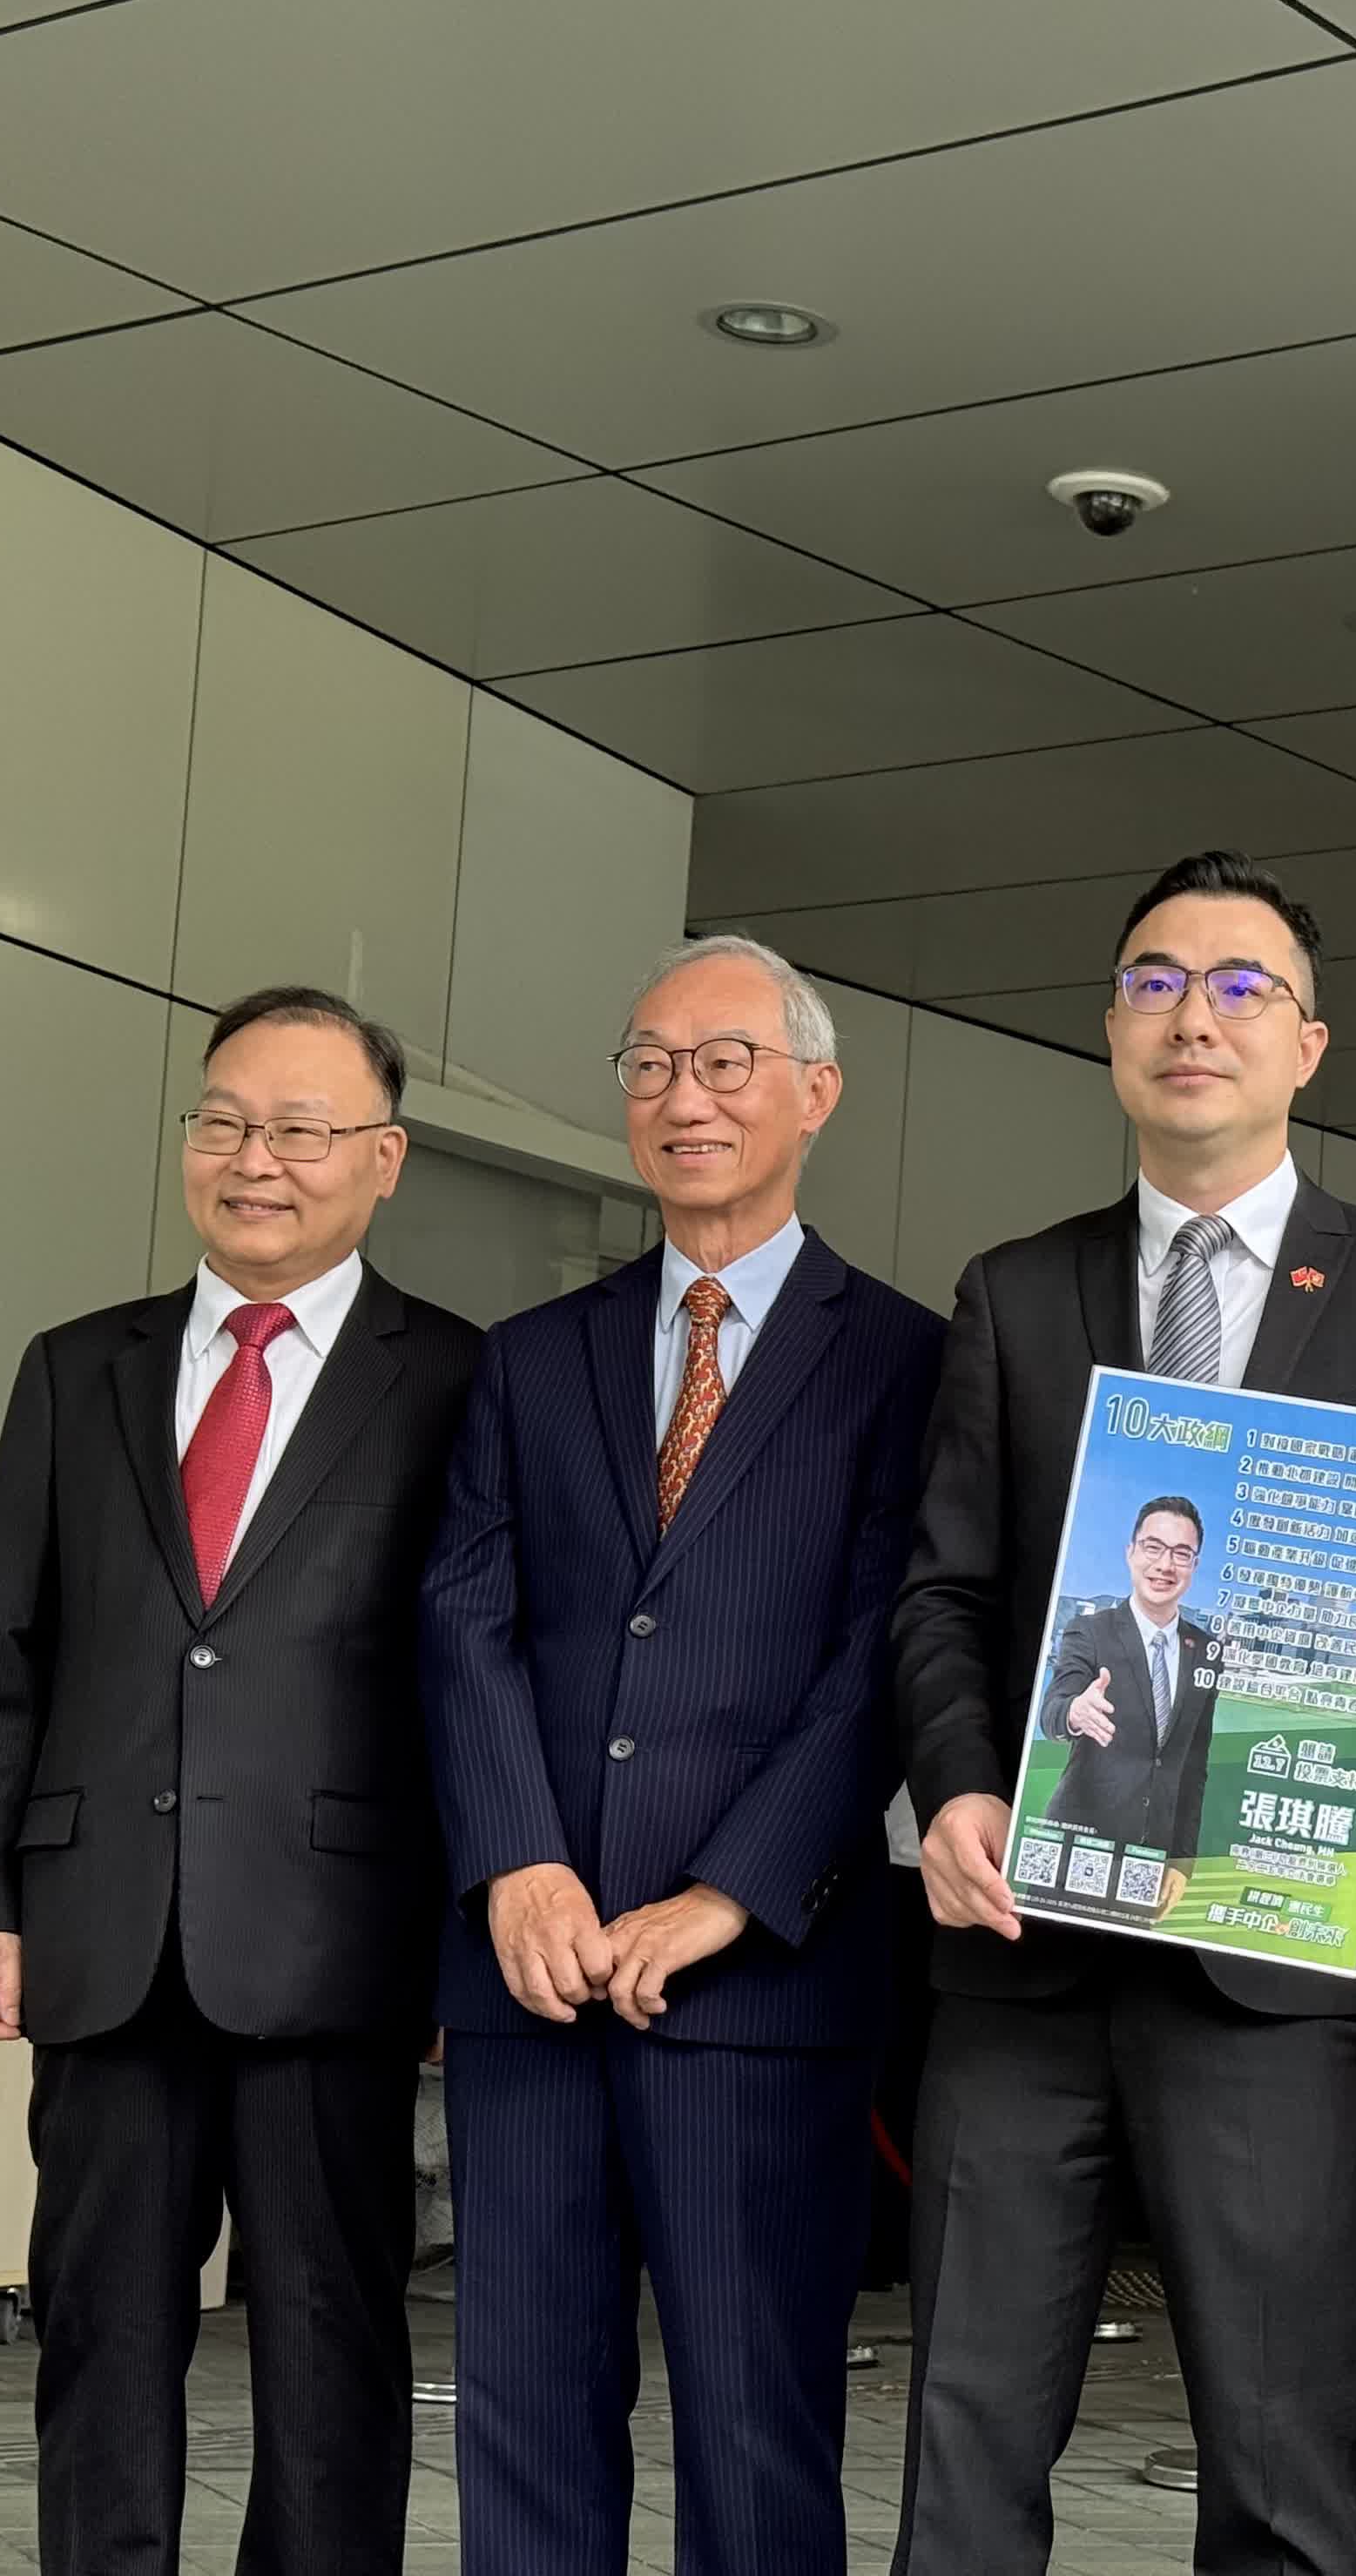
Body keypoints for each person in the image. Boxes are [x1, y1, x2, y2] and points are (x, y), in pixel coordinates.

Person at [890, 848, 1356, 2576]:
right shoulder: (1015, 1290)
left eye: (1243, 987)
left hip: (1266, 1965)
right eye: (1156, 982)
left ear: (1307, 1043)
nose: (1195, 1017)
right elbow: (944, 1589)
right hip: (1021, 1947)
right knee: (965, 2436)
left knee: (1278, 2455)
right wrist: (956, 1787)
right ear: (1111, 1028)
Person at [0, 987, 477, 2576]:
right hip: (101, 1940)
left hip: (336, 1947)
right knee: (99, 2338)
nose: (255, 1160)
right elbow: (1, 1649)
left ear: (382, 1159)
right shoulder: (75, 1366)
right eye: (225, 1121)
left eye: (299, 1129)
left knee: (328, 2357)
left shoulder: (456, 1378)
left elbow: (479, 1674)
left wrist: (464, 1928)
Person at [420, 935, 942, 2576]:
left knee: (753, 2422)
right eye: (649, 1064)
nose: (683, 1097)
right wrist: (519, 1862)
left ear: (816, 1092)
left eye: (724, 1062)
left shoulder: (907, 1359)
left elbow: (886, 1652)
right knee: (522, 2406)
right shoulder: (530, 1353)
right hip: (533, 1968)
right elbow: (464, 1615)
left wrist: (728, 1891)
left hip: (761, 1983)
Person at [1036, 1494, 1219, 1869]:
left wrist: (1182, 1861)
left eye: (1181, 1553)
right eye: (1153, 1547)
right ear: (1131, 1552)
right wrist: (1075, 1712)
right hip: (1075, 1847)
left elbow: (1194, 1764)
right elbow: (1052, 1712)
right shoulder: (1088, 1631)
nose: (1165, 1565)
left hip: (1150, 1857)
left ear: (1195, 1565)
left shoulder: (1206, 1651)